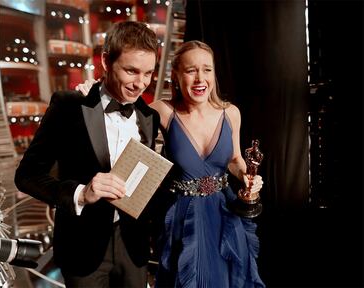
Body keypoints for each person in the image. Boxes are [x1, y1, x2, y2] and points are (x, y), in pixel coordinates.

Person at [76, 40, 265, 287]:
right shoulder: (163, 112)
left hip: (225, 214)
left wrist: (248, 177)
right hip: (183, 219)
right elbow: (119, 109)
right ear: (176, 76)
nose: (200, 78)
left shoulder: (231, 113)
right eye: (191, 70)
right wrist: (94, 93)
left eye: (207, 69)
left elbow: (235, 160)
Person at [14, 21, 161, 288]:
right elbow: (26, 176)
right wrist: (81, 193)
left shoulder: (149, 115)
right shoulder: (69, 106)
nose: (141, 84)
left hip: (133, 248)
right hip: (82, 249)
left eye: (149, 73)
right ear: (106, 60)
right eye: (131, 71)